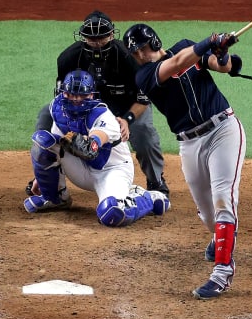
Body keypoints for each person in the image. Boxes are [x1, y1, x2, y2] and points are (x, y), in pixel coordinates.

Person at [123, 23, 250, 299]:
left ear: (154, 42)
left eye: (143, 48)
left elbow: (223, 67)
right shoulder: (145, 76)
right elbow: (178, 63)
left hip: (223, 130)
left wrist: (222, 51)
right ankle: (220, 238)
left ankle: (222, 273)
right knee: (207, 214)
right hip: (189, 143)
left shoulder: (184, 45)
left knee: (223, 201)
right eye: (137, 53)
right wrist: (209, 41)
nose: (142, 55)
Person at [31, 10, 169, 196]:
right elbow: (63, 97)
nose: (96, 43)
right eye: (91, 38)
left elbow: (143, 98)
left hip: (127, 106)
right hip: (85, 108)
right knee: (46, 116)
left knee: (144, 131)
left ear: (112, 34)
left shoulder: (129, 58)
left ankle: (156, 180)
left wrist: (127, 119)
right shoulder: (68, 58)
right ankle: (46, 177)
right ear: (83, 37)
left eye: (102, 37)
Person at [23, 69, 170, 227]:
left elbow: (90, 148)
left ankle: (148, 198)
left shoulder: (103, 116)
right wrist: (44, 177)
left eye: (82, 95)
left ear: (92, 95)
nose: (76, 100)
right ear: (63, 92)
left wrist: (86, 140)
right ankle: (55, 198)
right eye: (71, 94)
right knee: (43, 142)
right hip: (80, 168)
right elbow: (56, 145)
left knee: (112, 213)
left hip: (111, 170)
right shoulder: (57, 108)